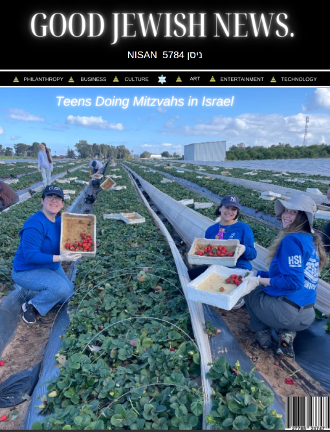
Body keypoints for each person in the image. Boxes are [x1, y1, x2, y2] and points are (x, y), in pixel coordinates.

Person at [244, 195, 328, 357]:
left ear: (302, 217)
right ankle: (287, 334)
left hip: (286, 314)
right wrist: (258, 273)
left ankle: (262, 333)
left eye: (293, 212)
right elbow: (287, 275)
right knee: (272, 289)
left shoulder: (291, 240)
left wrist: (257, 280)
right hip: (306, 316)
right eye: (286, 211)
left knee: (249, 291)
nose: (286, 215)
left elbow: (293, 281)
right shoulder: (312, 241)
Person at [11, 185, 81, 324]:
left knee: (67, 293)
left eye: (58, 198)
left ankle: (42, 290)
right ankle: (31, 305)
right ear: (42, 200)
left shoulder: (59, 221)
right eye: (50, 197)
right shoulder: (35, 224)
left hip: (49, 265)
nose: (54, 201)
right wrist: (61, 258)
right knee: (60, 288)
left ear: (62, 203)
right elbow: (31, 256)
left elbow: (73, 234)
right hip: (26, 270)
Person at [188, 194, 257, 280]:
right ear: (220, 208)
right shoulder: (211, 230)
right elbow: (208, 253)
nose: (230, 211)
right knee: (190, 274)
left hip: (239, 267)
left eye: (233, 209)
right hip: (217, 268)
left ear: (236, 212)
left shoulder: (244, 228)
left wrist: (244, 249)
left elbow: (253, 255)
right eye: (227, 207)